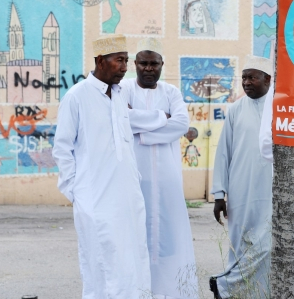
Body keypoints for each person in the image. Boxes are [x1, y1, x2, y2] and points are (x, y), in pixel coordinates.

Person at [53, 34, 151, 298]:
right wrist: (76, 192)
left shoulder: (119, 96)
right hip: (94, 198)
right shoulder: (77, 96)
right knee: (101, 262)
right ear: (100, 61)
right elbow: (62, 148)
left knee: (132, 258)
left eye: (126, 61)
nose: (124, 67)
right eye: (119, 60)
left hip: (127, 198)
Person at [120, 38, 198, 298]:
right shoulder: (123, 89)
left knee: (169, 237)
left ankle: (169, 291)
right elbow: (121, 119)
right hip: (134, 177)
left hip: (167, 179)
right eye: (144, 63)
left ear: (162, 64)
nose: (149, 68)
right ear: (135, 64)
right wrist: (159, 119)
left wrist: (141, 132)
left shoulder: (171, 92)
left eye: (154, 63)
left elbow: (180, 125)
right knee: (135, 236)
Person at [210, 55, 273, 299]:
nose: (246, 82)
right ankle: (233, 290)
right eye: (244, 77)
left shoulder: (279, 108)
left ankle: (232, 288)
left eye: (252, 77)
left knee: (267, 244)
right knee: (242, 244)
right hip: (241, 189)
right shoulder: (235, 109)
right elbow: (223, 152)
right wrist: (218, 194)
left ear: (267, 79)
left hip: (270, 190)